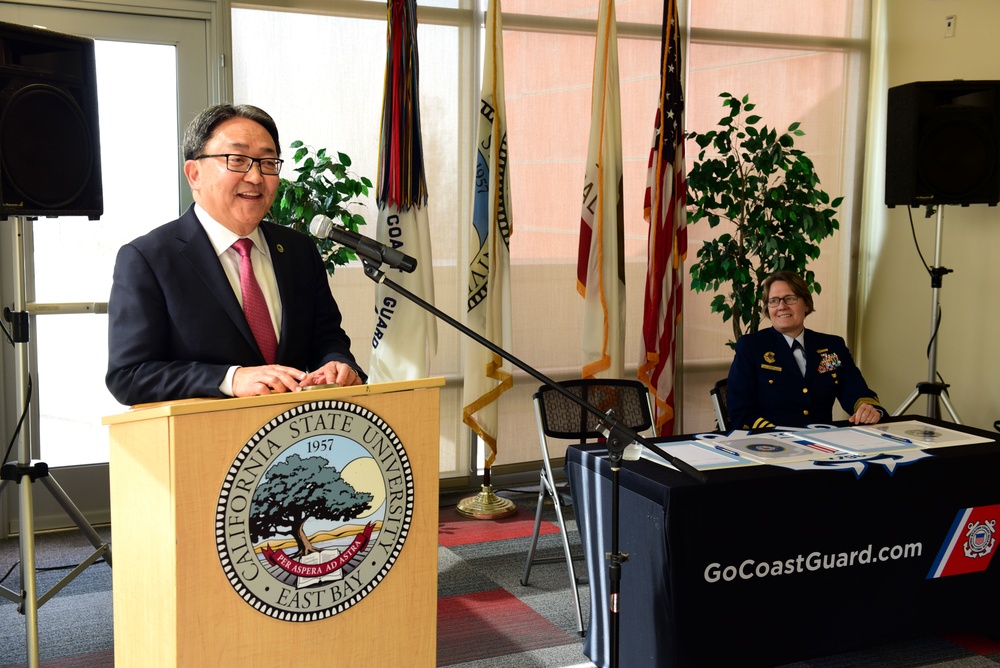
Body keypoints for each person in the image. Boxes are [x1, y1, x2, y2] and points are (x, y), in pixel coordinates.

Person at [106, 104, 365, 406]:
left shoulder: (297, 250)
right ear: (194, 174)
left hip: (293, 440)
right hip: (205, 441)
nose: (256, 177)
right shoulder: (148, 258)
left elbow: (326, 337)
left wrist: (337, 364)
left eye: (268, 163)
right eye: (238, 160)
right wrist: (230, 379)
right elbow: (129, 375)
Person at [726, 270, 886, 430]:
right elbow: (741, 410)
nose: (782, 306)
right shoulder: (751, 347)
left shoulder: (832, 346)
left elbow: (855, 390)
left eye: (790, 298)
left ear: (806, 304)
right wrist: (777, 435)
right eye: (774, 301)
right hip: (773, 445)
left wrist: (868, 410)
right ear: (768, 309)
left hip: (824, 442)